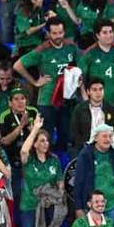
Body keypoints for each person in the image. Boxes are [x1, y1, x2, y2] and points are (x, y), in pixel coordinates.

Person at [14, 18, 79, 151]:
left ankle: (62, 166)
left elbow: (79, 68)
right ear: (48, 33)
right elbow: (18, 65)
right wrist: (35, 82)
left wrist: (79, 79)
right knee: (45, 139)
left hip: (67, 100)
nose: (58, 36)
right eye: (54, 33)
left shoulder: (71, 47)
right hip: (47, 101)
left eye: (60, 32)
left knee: (65, 137)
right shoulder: (42, 50)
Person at [18, 114, 65, 227]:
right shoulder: (29, 160)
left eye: (47, 141)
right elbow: (23, 151)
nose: (46, 143)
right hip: (29, 205)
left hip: (48, 205)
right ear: (35, 143)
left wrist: (58, 198)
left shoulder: (54, 160)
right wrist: (35, 130)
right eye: (42, 141)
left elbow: (60, 183)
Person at [69, 78, 114, 148]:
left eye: (101, 89)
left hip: (106, 147)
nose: (98, 93)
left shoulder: (113, 110)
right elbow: (74, 133)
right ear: (88, 92)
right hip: (85, 147)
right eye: (94, 90)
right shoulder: (79, 109)